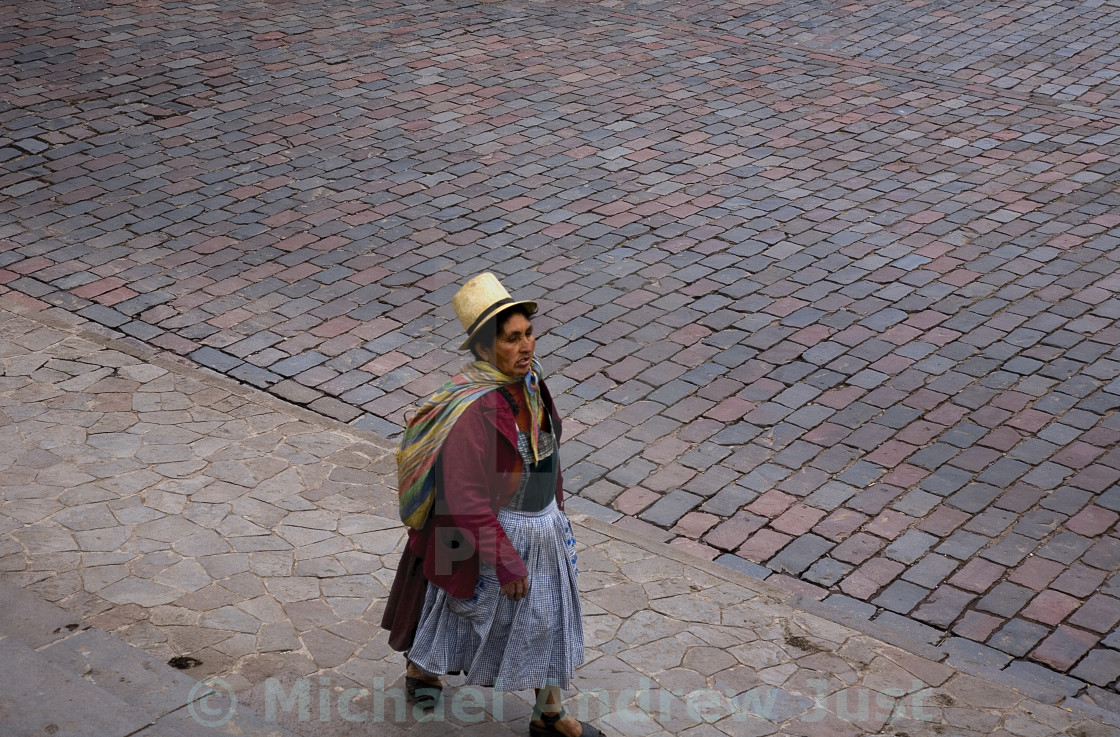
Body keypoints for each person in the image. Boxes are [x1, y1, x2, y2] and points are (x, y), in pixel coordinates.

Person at [381, 272, 601, 737]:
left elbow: (547, 449)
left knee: (548, 618)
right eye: (512, 339)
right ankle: (422, 671)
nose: (526, 347)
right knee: (445, 606)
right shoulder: (475, 409)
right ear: (485, 350)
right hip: (479, 530)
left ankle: (549, 714)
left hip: (540, 526)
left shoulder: (532, 383)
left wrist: (555, 515)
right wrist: (505, 560)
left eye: (529, 334)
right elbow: (464, 499)